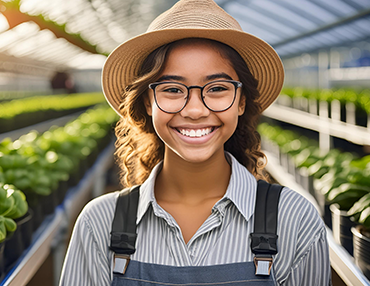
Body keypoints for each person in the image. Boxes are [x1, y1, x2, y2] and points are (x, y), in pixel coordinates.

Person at [59, 0, 331, 285]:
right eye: (173, 89)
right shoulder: (100, 223)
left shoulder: (294, 219)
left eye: (216, 89)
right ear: (148, 102)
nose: (195, 110)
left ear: (241, 102)